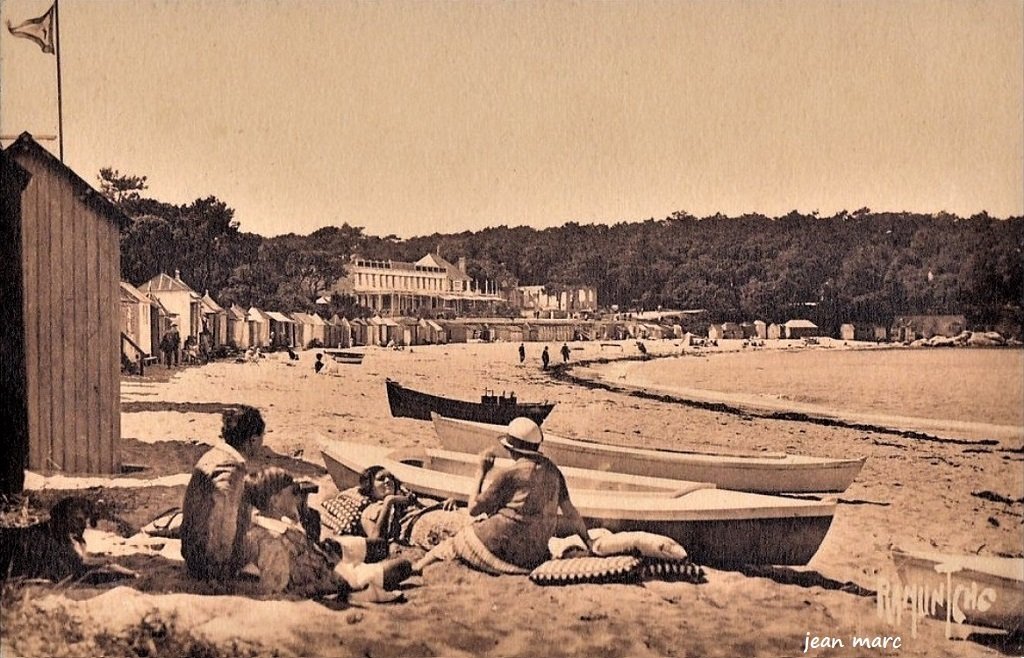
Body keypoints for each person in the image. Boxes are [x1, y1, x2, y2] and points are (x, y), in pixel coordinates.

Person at [413, 417, 592, 575]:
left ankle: (417, 567)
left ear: (511, 449)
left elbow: (474, 509)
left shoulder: (511, 474)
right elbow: (571, 513)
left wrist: (481, 471)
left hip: (501, 551)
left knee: (454, 543)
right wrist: (588, 540)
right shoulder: (554, 471)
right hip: (533, 556)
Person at [180, 405, 267, 582]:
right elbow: (221, 524)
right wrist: (220, 572)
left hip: (193, 552)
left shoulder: (215, 455)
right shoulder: (231, 467)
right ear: (252, 440)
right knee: (275, 542)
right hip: (206, 561)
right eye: (261, 438)